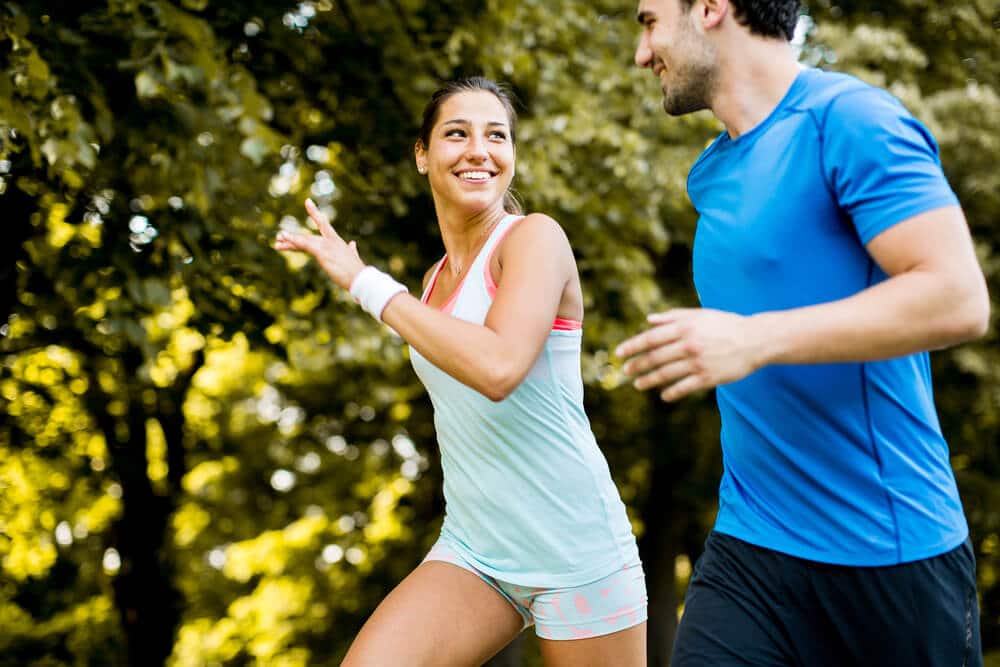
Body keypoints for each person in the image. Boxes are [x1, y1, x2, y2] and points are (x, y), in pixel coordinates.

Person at [617, 1, 991, 665]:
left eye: (649, 22)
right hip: (752, 549)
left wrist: (754, 339)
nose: (643, 54)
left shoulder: (848, 121)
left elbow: (957, 297)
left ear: (709, 8)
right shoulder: (712, 170)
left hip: (890, 555)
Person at [275, 77, 647, 667]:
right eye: (457, 134)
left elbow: (498, 367)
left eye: (496, 135)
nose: (479, 149)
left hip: (575, 550)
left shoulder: (534, 239)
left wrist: (364, 282)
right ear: (422, 155)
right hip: (477, 551)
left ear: (512, 156)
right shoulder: (431, 282)